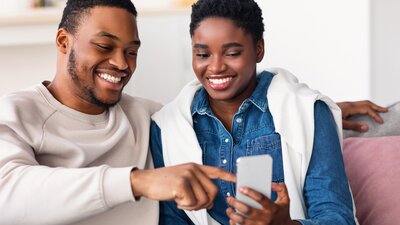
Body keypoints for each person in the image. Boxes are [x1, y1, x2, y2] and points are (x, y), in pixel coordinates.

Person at [0, 1, 236, 225]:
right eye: (104, 46)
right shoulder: (17, 112)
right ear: (63, 41)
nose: (122, 63)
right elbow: (6, 196)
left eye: (131, 52)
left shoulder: (150, 117)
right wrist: (136, 182)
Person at [150, 0, 358, 224]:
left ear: (258, 49)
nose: (216, 66)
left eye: (231, 53)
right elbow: (171, 218)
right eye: (203, 55)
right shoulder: (168, 127)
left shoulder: (308, 112)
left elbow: (336, 217)